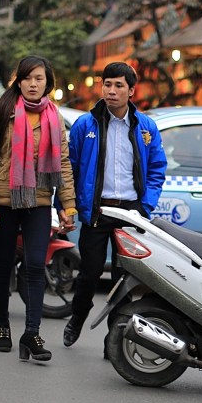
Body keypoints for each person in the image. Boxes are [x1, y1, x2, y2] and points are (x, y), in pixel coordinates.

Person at [0, 55, 76, 362]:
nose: (33, 84)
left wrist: (68, 205)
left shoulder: (53, 116)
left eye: (39, 79)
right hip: (4, 202)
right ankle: (2, 325)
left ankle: (31, 333)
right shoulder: (2, 110)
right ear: (18, 81)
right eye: (28, 78)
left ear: (48, 83)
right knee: (3, 264)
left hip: (39, 201)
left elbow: (62, 163)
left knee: (35, 265)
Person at [63, 62, 167, 351]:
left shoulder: (145, 127)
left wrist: (144, 207)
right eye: (107, 84)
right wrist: (68, 206)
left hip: (131, 213)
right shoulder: (86, 125)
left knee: (124, 279)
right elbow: (69, 169)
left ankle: (115, 337)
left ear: (132, 91)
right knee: (89, 274)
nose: (111, 90)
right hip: (97, 212)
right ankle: (77, 318)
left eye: (119, 85)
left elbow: (158, 168)